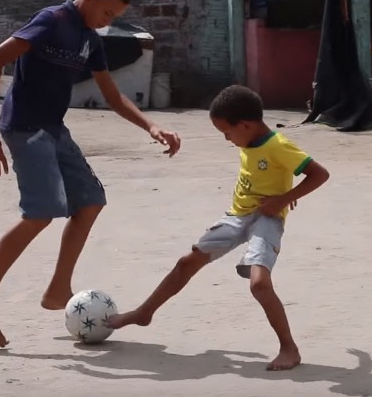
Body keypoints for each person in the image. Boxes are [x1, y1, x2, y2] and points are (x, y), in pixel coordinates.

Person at [0, 0, 181, 348]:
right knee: (40, 214)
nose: (107, 21)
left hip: (53, 128)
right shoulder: (51, 20)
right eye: (107, 12)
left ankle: (57, 288)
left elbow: (111, 94)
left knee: (91, 201)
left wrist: (152, 125)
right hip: (24, 128)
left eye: (116, 18)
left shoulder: (89, 38)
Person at [108, 85, 329, 371]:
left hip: (266, 218)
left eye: (227, 132)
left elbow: (319, 174)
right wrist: (286, 193)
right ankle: (143, 312)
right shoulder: (248, 140)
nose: (227, 139)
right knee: (187, 262)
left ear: (246, 125)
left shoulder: (278, 146)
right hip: (237, 215)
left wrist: (285, 199)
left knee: (259, 284)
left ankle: (289, 348)